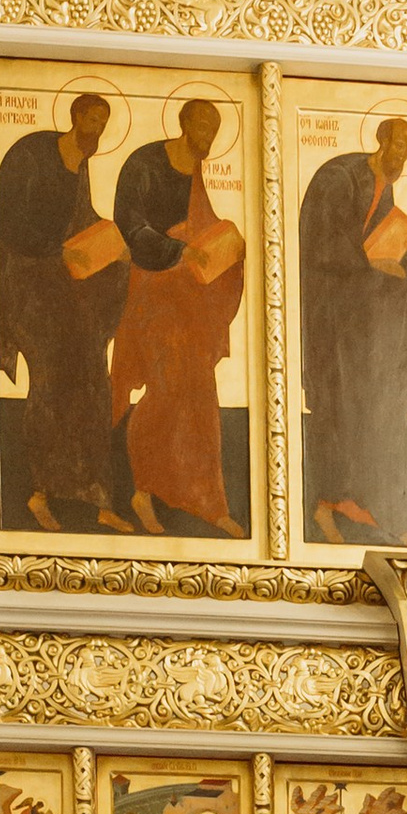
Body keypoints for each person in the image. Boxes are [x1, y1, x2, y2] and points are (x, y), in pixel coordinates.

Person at [0, 90, 129, 531]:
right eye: (93, 118)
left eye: (104, 122)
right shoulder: (32, 154)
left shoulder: (80, 163)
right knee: (50, 385)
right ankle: (39, 493)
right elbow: (7, 223)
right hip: (29, 285)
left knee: (93, 380)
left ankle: (99, 496)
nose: (98, 129)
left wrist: (111, 241)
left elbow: (79, 216)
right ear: (75, 116)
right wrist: (57, 251)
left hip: (67, 286)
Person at [110, 97, 246, 537]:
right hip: (151, 295)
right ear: (186, 124)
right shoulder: (146, 163)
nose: (208, 136)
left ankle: (207, 502)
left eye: (215, 129)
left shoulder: (197, 171)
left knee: (202, 398)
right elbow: (130, 227)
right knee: (165, 391)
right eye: (203, 127)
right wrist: (177, 247)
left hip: (189, 303)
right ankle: (143, 492)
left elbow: (202, 227)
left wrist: (226, 245)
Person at [299, 116, 407, 542]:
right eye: (399, 145)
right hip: (325, 313)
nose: (402, 155)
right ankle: (324, 504)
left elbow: (379, 237)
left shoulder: (382, 185)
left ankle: (349, 499)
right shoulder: (339, 178)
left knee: (361, 404)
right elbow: (318, 242)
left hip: (354, 319)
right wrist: (369, 261)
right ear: (382, 140)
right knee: (333, 403)